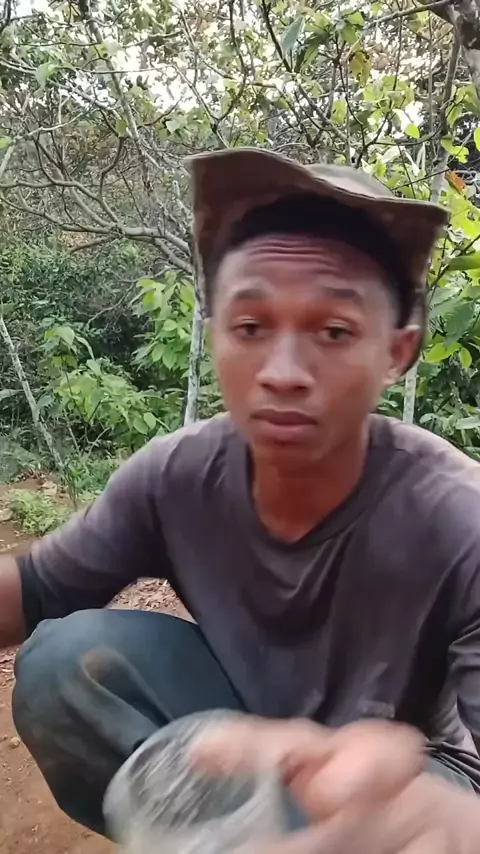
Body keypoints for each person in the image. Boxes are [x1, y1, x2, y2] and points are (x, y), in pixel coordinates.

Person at [1, 148, 480, 847]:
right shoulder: (176, 476)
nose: (283, 372)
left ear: (396, 352)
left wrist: (451, 822)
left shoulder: (459, 518)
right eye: (252, 327)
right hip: (246, 740)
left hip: (403, 778)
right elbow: (38, 589)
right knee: (67, 665)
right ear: (215, 334)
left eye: (334, 331)